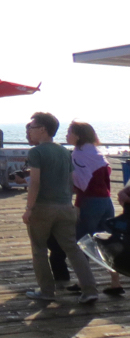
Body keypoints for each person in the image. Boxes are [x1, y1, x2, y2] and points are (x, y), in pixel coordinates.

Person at [23, 112, 98, 303]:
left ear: (43, 129)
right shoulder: (65, 152)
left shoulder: (36, 152)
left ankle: (47, 290)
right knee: (72, 249)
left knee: (39, 249)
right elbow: (70, 181)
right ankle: (90, 290)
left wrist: (29, 208)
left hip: (43, 207)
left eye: (31, 128)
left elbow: (35, 182)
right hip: (65, 207)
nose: (29, 132)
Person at [68, 121, 122, 295]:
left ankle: (84, 282)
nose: (67, 136)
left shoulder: (79, 154)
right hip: (106, 200)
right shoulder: (97, 152)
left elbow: (81, 183)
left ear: (78, 135)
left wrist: (76, 204)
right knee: (106, 243)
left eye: (69, 132)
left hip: (90, 202)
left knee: (82, 242)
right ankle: (115, 282)